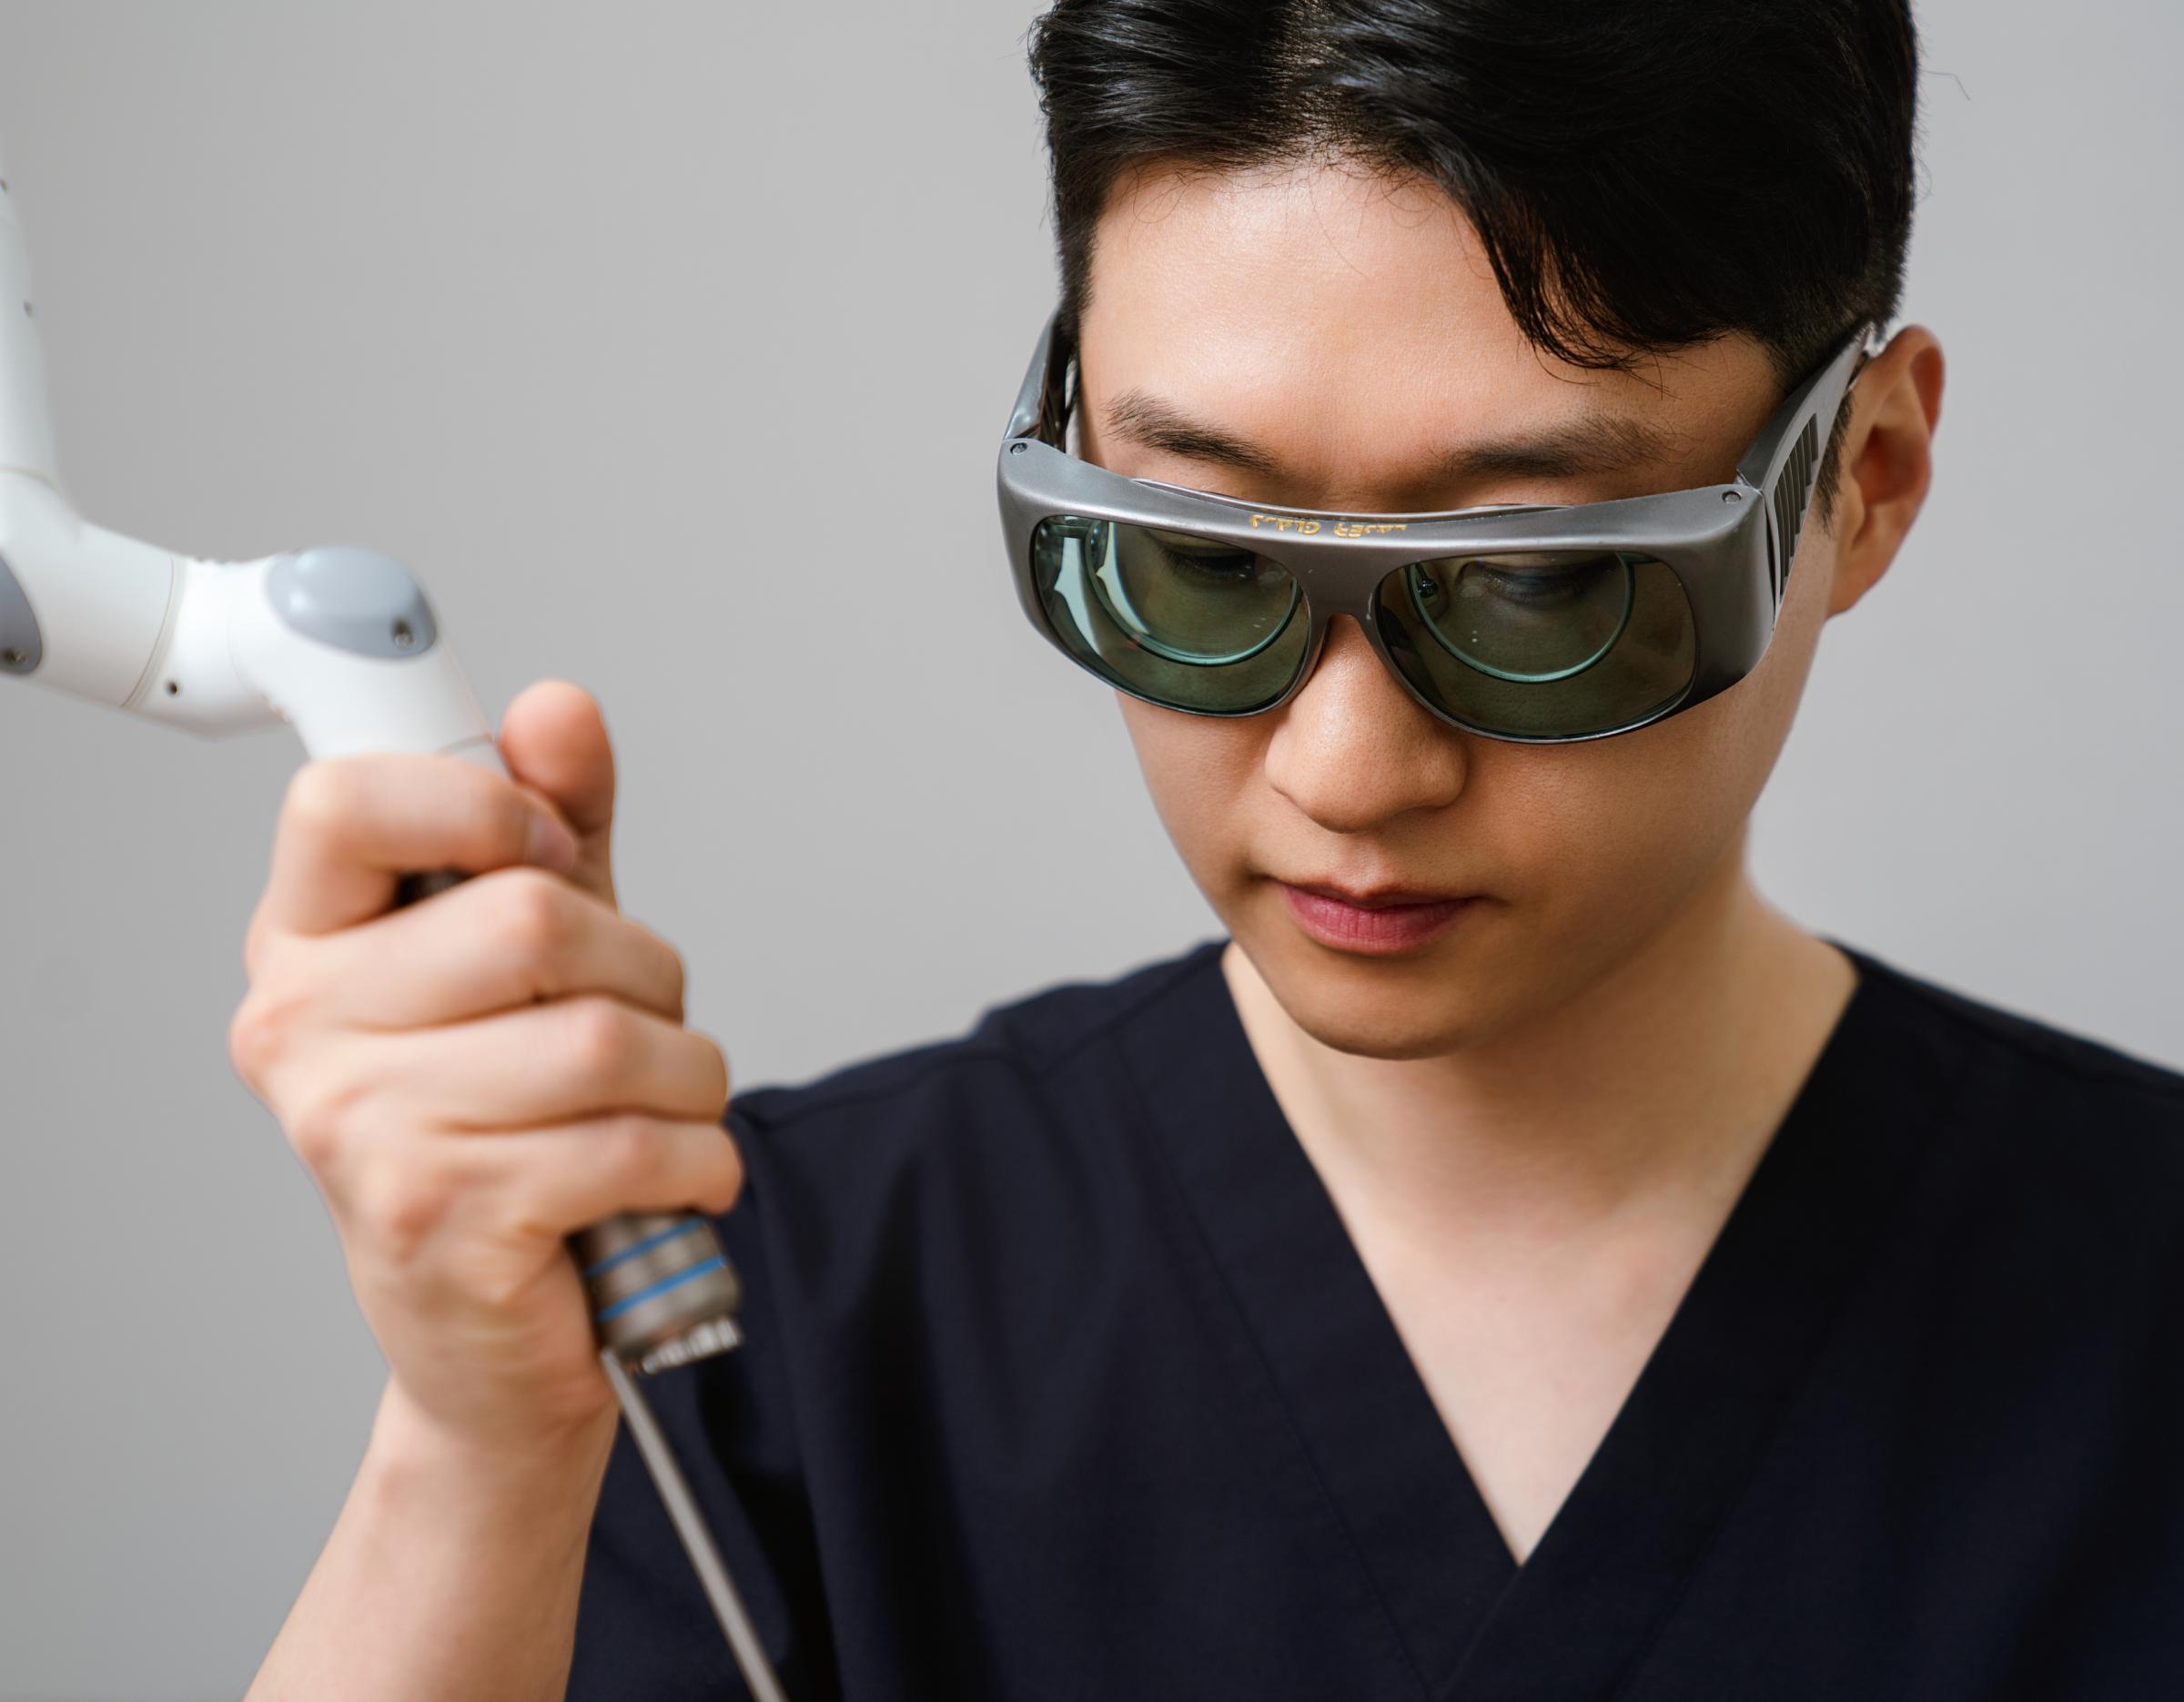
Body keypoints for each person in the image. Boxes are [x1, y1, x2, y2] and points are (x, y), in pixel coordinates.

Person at [231, 2, 2184, 1697]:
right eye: (1201, 558)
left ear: (1868, 482)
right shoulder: (766, 1330)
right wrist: (477, 1449)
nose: (1346, 767)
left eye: (1543, 586)